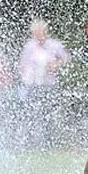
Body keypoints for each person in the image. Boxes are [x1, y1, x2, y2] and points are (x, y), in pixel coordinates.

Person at [18, 19, 70, 147]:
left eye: (40, 33)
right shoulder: (29, 46)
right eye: (36, 33)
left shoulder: (54, 45)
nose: (38, 36)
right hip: (33, 84)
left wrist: (55, 65)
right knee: (31, 112)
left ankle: (49, 140)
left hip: (48, 83)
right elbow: (22, 64)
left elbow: (66, 58)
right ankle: (29, 140)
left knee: (48, 112)